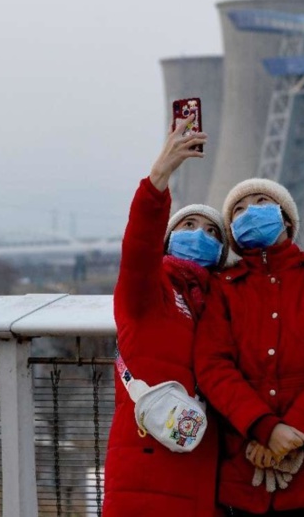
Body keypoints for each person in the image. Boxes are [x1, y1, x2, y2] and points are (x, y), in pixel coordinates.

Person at [195, 178, 304, 516]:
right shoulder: (224, 290)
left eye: (260, 202)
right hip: (248, 467)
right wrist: (264, 428)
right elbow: (213, 365)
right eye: (238, 210)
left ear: (286, 218)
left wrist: (292, 433)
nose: (249, 213)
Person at [103, 115, 226, 516]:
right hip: (145, 469)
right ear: (169, 239)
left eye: (212, 232)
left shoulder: (222, 305)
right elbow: (138, 245)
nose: (200, 235)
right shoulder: (149, 290)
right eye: (189, 225)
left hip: (203, 470)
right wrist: (160, 175)